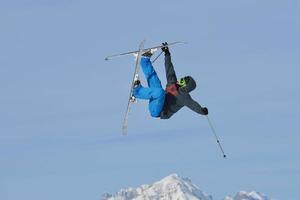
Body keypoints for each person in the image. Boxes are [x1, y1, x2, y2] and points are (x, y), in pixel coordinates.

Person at [133, 42, 208, 119]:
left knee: (160, 92)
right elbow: (169, 69)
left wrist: (201, 110)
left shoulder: (183, 96)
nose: (180, 80)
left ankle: (136, 92)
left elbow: (192, 104)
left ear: (186, 86)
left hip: (158, 111)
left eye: (183, 81)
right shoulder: (173, 83)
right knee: (155, 80)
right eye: (182, 78)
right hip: (157, 100)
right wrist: (167, 53)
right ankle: (144, 60)